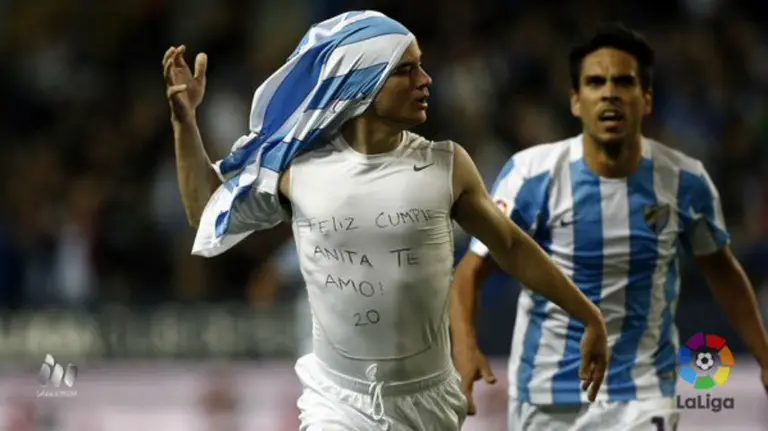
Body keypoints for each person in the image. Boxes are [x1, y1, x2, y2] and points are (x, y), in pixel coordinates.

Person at [163, 11, 608, 431]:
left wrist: (588, 315)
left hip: (430, 401)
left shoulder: (447, 165)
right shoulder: (298, 171)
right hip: (337, 403)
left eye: (421, 67)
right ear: (364, 83)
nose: (425, 80)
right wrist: (185, 121)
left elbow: (510, 247)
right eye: (407, 70)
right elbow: (205, 208)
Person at [450, 22, 768, 431]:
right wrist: (466, 344)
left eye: (624, 82)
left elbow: (721, 270)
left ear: (646, 99)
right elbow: (471, 271)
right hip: (546, 396)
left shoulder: (686, 182)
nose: (610, 93)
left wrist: (762, 353)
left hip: (641, 392)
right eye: (595, 82)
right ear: (575, 101)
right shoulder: (532, 175)